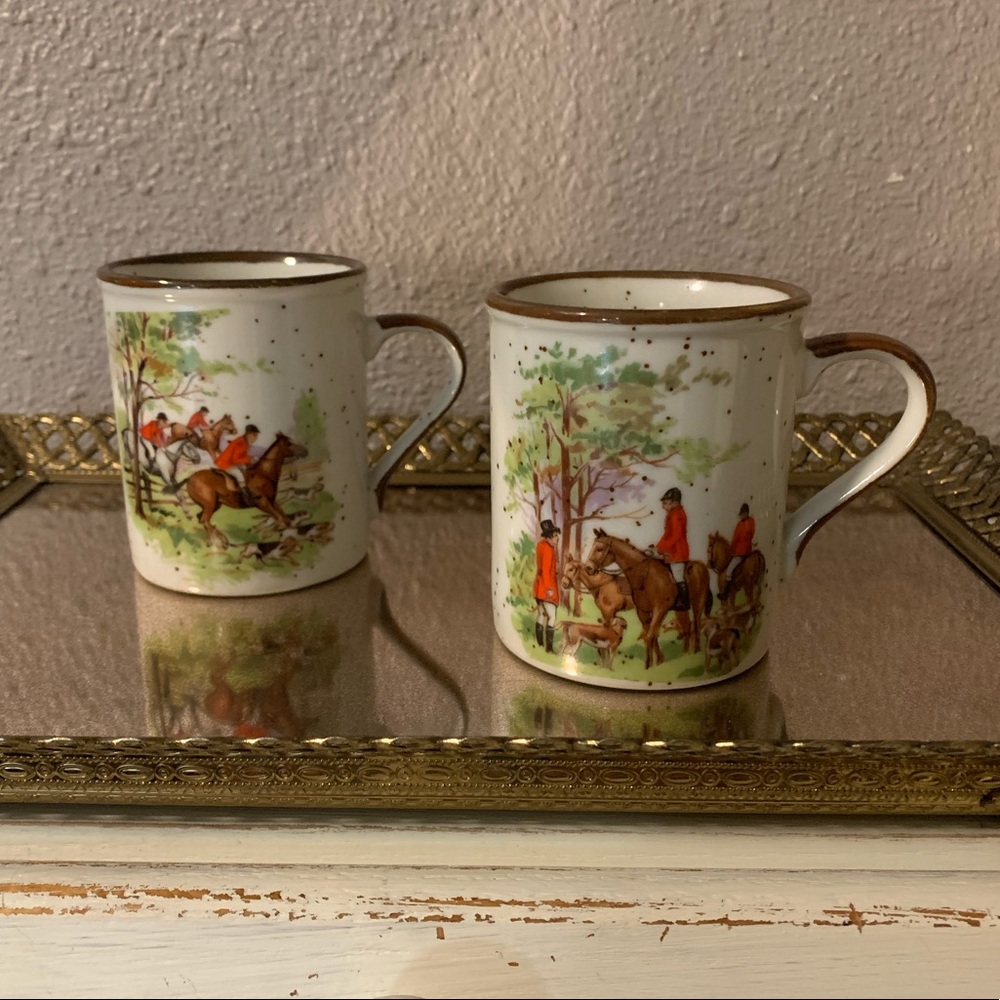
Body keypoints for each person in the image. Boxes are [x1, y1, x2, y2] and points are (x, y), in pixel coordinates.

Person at [652, 487, 690, 611]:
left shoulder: (677, 515)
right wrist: (657, 547)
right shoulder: (672, 514)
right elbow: (668, 534)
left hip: (677, 551)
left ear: (675, 502)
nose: (663, 506)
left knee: (678, 576)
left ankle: (685, 603)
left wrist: (661, 547)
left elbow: (676, 535)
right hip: (670, 550)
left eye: (666, 503)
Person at [533, 519, 561, 653]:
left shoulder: (540, 546)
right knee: (552, 616)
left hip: (538, 585)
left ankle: (539, 645)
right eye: (555, 535)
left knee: (541, 614)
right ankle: (549, 649)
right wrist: (549, 588)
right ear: (549, 536)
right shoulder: (548, 549)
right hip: (546, 586)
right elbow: (545, 570)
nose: (558, 538)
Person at [215, 423, 260, 503]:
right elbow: (236, 460)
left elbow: (241, 458)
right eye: (254, 435)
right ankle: (249, 499)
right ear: (248, 434)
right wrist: (250, 458)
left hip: (230, 462)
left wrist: (249, 461)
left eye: (256, 436)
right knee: (240, 477)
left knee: (246, 470)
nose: (256, 438)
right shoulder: (240, 443)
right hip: (226, 464)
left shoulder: (244, 442)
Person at [724, 502, 756, 598]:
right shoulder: (752, 522)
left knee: (729, 571)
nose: (741, 516)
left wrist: (732, 550)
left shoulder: (740, 525)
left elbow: (735, 539)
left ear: (745, 513)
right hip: (749, 550)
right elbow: (752, 534)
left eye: (742, 514)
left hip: (740, 551)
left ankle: (726, 593)